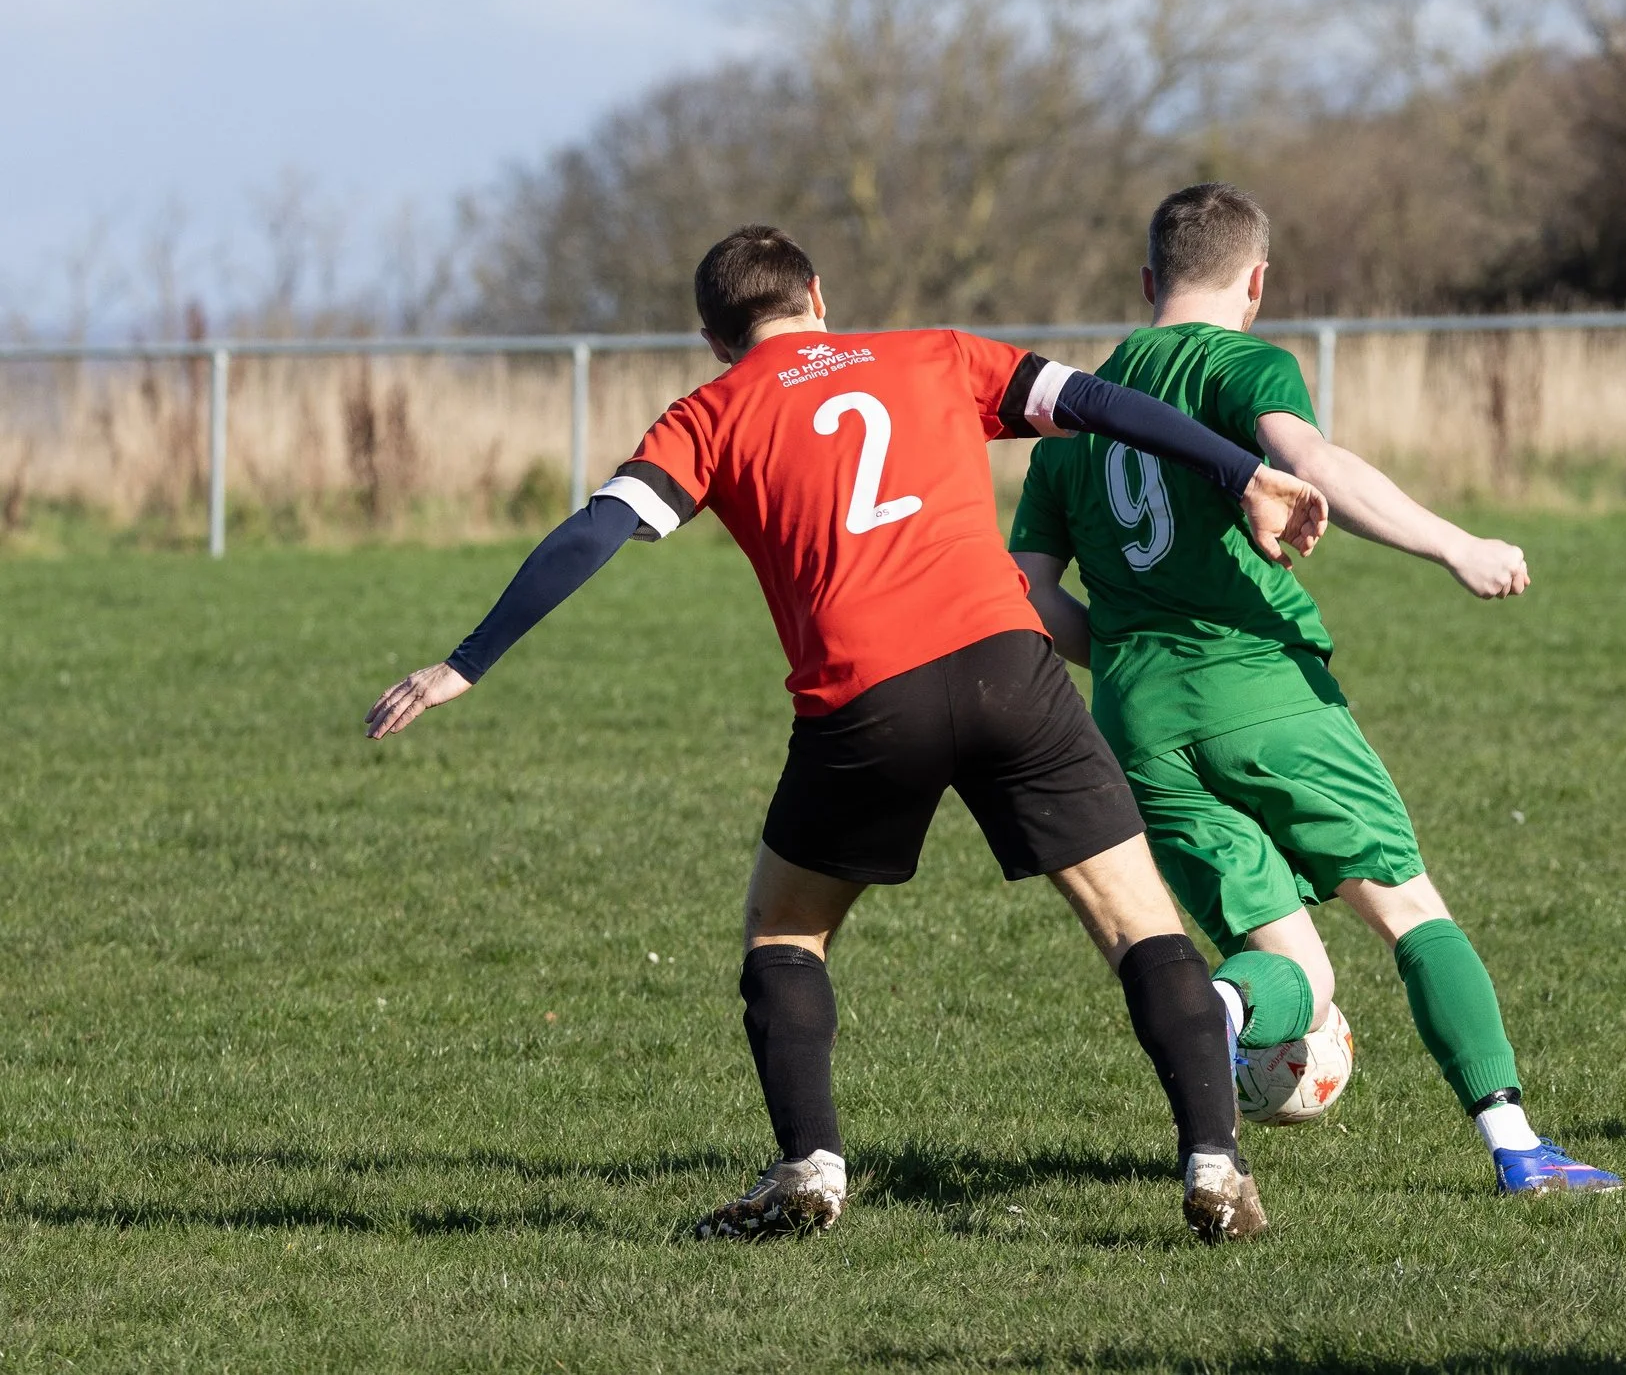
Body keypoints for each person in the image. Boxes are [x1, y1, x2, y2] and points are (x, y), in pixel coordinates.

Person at [363, 224, 1328, 1244]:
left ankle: (808, 1170)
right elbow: (1096, 402)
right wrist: (1241, 473)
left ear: (712, 334)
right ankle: (1215, 1165)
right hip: (1010, 667)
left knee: (785, 932)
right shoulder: (936, 354)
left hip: (867, 699)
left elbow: (597, 528)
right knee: (1142, 925)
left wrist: (463, 660)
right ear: (818, 294)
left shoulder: (712, 410)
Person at [1008, 184, 1619, 1197]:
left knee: (1297, 967)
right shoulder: (1244, 362)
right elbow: (1312, 461)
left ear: (1149, 282)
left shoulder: (1073, 410)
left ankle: (1224, 1010)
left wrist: (1121, 650)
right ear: (1256, 283)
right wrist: (1453, 543)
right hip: (1263, 691)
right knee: (1409, 910)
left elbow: (1025, 593)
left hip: (1140, 720)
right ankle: (1519, 1149)